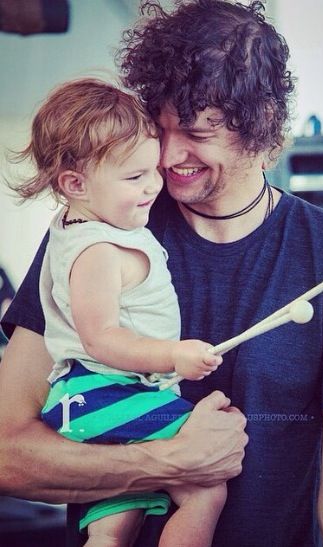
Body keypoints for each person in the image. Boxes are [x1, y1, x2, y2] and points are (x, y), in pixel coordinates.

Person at [1, 1, 323, 546]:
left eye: (198, 132)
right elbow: (7, 455)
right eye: (159, 131)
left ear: (262, 126)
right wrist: (172, 462)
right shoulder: (92, 237)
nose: (168, 156)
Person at [8, 77, 227, 547]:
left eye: (151, 170)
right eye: (134, 177)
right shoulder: (98, 251)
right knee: (206, 484)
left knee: (114, 525)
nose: (154, 185)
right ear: (75, 184)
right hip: (106, 392)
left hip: (90, 399)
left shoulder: (76, 223)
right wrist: (174, 355)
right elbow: (101, 338)